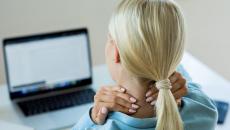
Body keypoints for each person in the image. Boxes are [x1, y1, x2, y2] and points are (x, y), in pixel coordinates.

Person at [73, 0, 218, 130]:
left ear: (116, 52)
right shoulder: (204, 112)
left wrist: (92, 116)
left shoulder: (102, 126)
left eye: (109, 38)